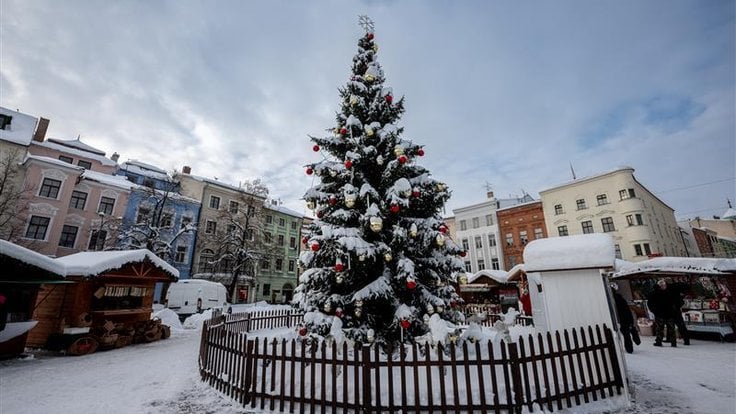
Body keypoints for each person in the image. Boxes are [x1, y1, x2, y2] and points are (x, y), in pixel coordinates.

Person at [647, 279, 678, 347]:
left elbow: (650, 304)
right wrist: (673, 311)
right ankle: (673, 342)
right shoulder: (668, 293)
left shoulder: (653, 294)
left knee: (659, 329)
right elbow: (672, 303)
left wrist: (654, 311)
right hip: (669, 314)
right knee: (671, 329)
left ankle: (659, 341)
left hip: (659, 315)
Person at [611, 283, 640, 353]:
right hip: (624, 318)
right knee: (627, 333)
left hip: (619, 319)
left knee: (625, 334)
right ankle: (632, 345)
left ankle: (629, 348)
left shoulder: (612, 299)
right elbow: (626, 310)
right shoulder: (619, 298)